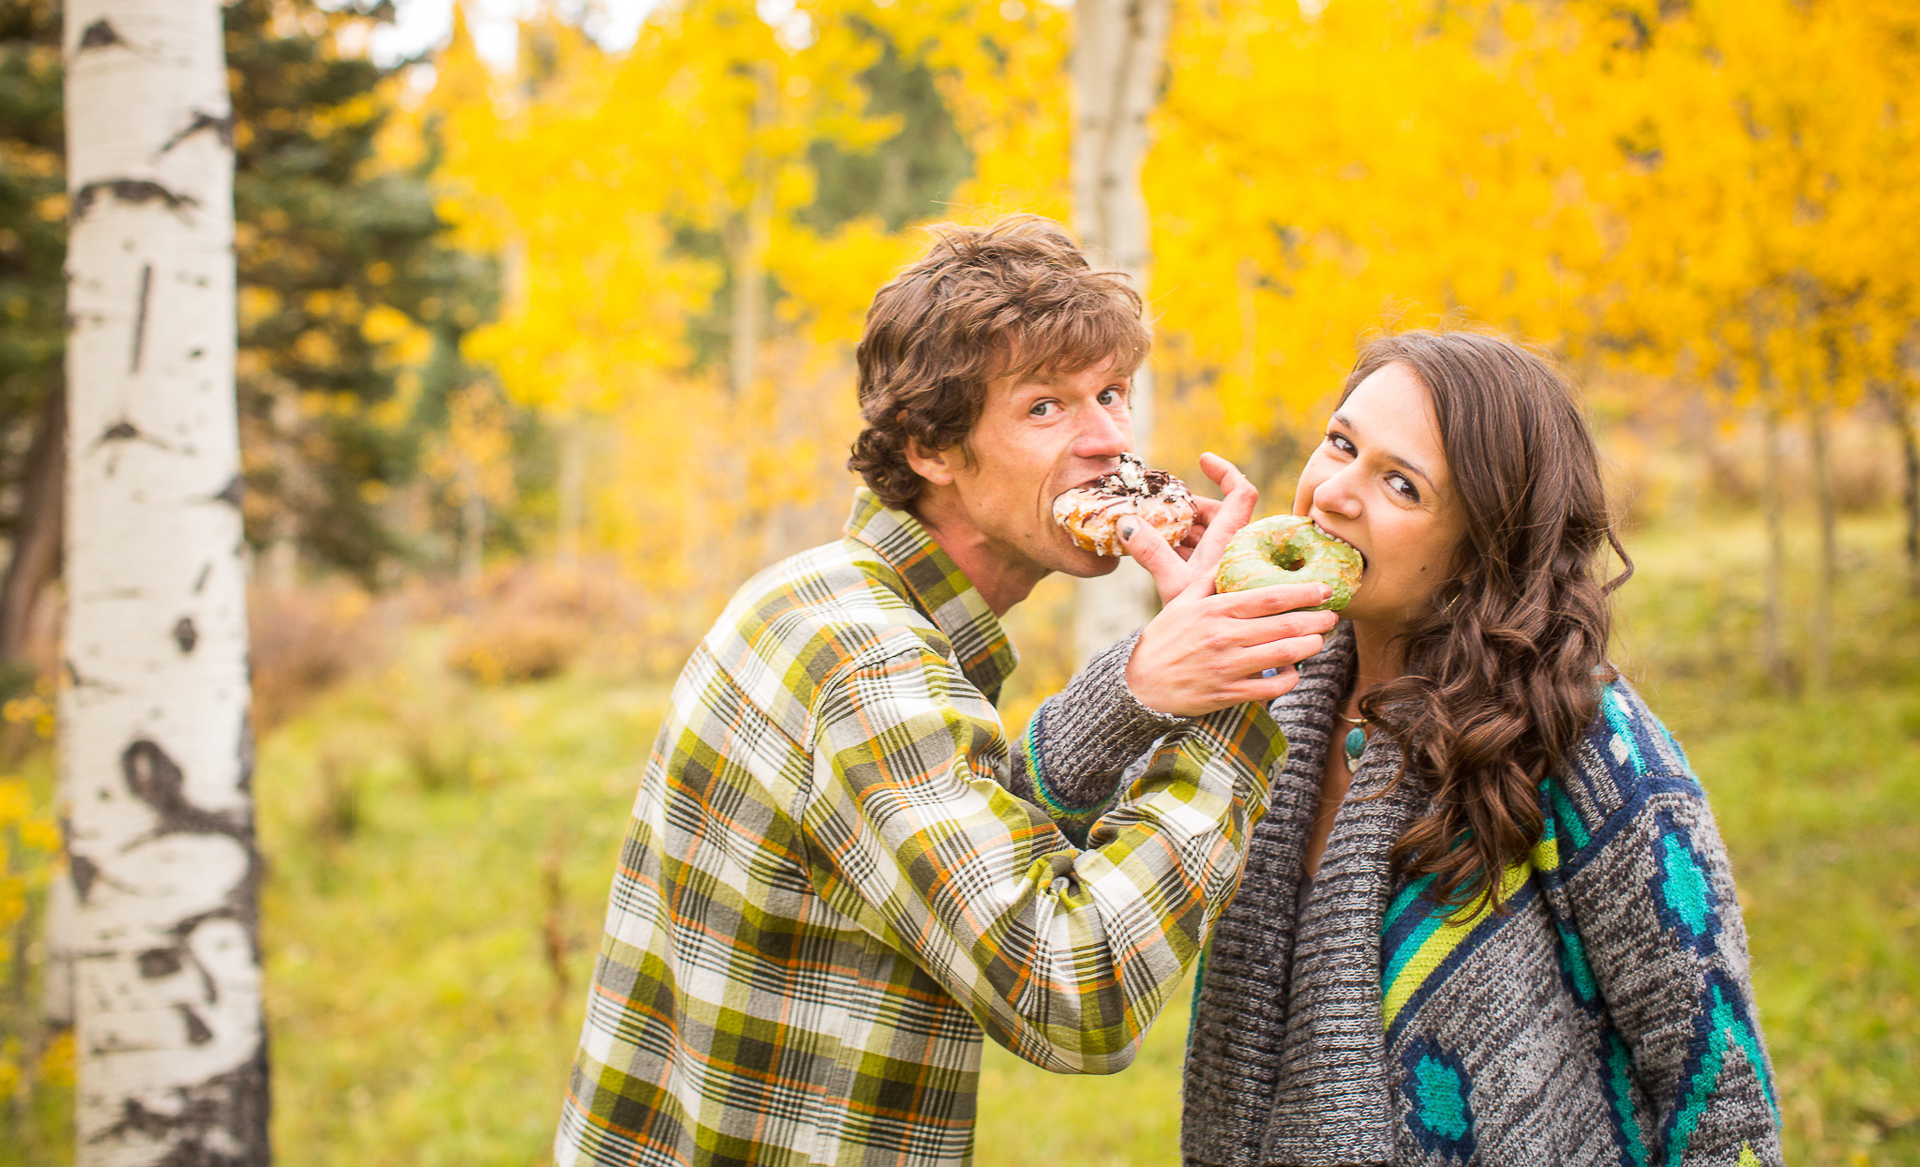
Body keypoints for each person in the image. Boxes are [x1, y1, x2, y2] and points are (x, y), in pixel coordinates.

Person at [553, 216, 1338, 1167]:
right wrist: (1234, 699)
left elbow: (981, 834)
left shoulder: (842, 603)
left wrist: (1141, 686)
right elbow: (1072, 991)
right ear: (929, 445)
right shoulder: (863, 660)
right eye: (1044, 408)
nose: (1106, 441)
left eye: (1113, 394)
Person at [1031, 330, 1783, 1165]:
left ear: (1483, 547)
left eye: (1401, 484)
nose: (1334, 496)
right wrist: (1148, 672)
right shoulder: (1262, 694)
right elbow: (1038, 820)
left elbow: (1717, 1091)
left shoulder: (1580, 738)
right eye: (1341, 444)